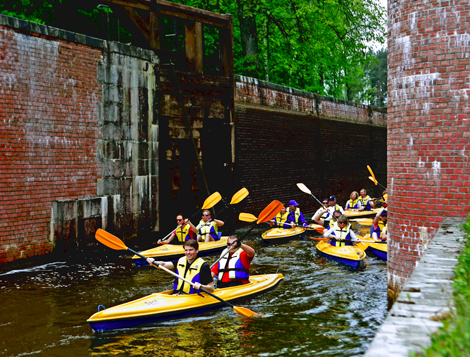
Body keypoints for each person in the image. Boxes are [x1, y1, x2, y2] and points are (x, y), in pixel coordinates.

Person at [147, 239, 214, 294]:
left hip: (193, 296)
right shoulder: (180, 260)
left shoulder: (203, 266)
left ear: (197, 250)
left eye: (191, 250)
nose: (188, 253)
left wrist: (201, 286)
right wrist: (153, 262)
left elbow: (211, 288)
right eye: (186, 250)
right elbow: (163, 264)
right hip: (178, 294)